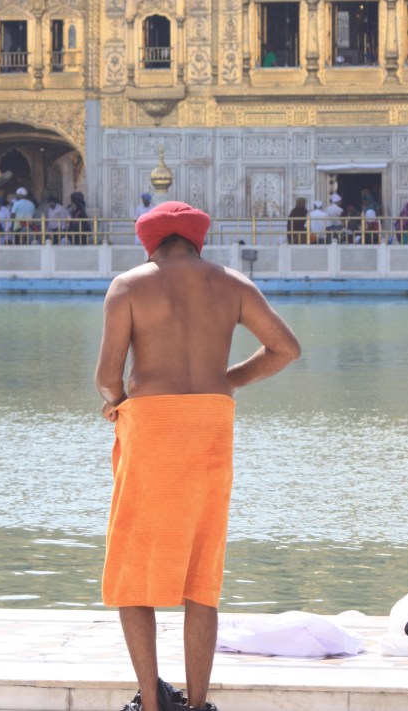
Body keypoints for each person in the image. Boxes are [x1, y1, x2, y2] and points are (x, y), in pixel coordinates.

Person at [94, 201, 300, 711]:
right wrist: (225, 380)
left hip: (153, 425)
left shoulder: (128, 285)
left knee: (132, 567)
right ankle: (199, 703)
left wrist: (116, 403)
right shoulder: (231, 283)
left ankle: (152, 700)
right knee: (201, 567)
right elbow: (285, 349)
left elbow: (106, 377)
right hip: (210, 423)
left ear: (150, 242)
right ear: (197, 239)